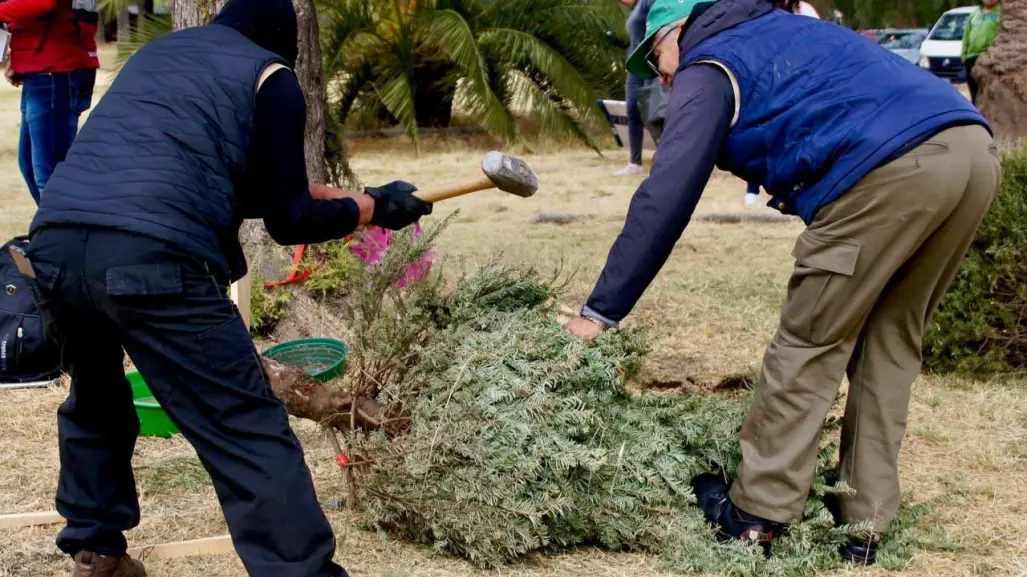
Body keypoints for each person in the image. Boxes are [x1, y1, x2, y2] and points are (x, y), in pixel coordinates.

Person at [563, 0, 998, 566]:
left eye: (658, 58)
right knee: (891, 340)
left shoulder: (708, 62)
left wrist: (599, 312)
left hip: (888, 169)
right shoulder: (780, 28)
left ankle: (755, 517)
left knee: (811, 340)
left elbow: (666, 194)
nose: (664, 77)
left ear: (678, 29)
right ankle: (864, 525)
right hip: (970, 150)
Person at [22, 0, 431, 575]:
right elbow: (289, 222)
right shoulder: (273, 78)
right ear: (280, 43)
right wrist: (369, 208)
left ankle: (97, 550)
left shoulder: (157, 57)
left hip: (57, 242)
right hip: (153, 258)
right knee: (244, 426)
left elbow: (237, 185)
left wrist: (362, 204)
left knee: (95, 398)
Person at [0, 0, 98, 206]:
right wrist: (19, 61)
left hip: (56, 73)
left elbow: (41, 2)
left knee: (51, 174)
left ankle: (65, 234)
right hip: (42, 70)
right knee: (29, 165)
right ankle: (53, 231)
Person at [743, 0, 818, 205]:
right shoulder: (756, 11)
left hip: (798, 80)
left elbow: (815, 46)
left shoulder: (804, 11)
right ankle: (753, 188)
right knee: (761, 133)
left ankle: (797, 185)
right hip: (767, 81)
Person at [615, 0, 658, 176]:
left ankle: (669, 159)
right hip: (634, 67)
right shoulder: (636, 8)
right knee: (632, 109)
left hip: (650, 64)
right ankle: (635, 162)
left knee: (654, 113)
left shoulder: (650, 2)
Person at [962, 0, 1001, 105]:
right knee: (973, 91)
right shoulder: (975, 13)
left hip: (987, 58)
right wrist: (964, 54)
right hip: (971, 57)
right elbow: (966, 34)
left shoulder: (1001, 13)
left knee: (986, 92)